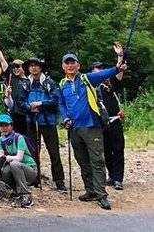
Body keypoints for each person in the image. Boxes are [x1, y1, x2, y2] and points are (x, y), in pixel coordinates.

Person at [59, 52, 127, 210]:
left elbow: (104, 74)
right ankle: (90, 191)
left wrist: (118, 68)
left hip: (92, 126)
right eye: (67, 63)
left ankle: (101, 195)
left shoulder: (87, 78)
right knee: (83, 161)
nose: (70, 66)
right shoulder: (62, 84)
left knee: (97, 161)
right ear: (63, 66)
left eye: (73, 63)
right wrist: (65, 118)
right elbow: (61, 104)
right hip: (74, 128)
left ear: (78, 65)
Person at [20, 56, 65, 192]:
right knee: (33, 151)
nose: (34, 68)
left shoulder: (49, 82)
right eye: (31, 65)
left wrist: (41, 104)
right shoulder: (25, 83)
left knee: (54, 151)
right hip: (31, 121)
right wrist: (29, 107)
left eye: (36, 65)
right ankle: (34, 177)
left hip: (48, 121)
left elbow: (55, 100)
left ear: (41, 67)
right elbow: (20, 101)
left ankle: (59, 180)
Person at [93, 44, 127, 190]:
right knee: (106, 151)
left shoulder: (111, 81)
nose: (99, 70)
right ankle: (112, 175)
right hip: (100, 122)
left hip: (115, 120)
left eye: (102, 68)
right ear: (92, 71)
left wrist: (120, 56)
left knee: (118, 149)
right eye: (97, 69)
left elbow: (119, 71)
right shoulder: (91, 84)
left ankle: (118, 179)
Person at [0, 114, 38, 208]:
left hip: (29, 169)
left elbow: (19, 158)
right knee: (3, 171)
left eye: (6, 125)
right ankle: (16, 190)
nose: (4, 128)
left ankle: (26, 195)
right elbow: (1, 156)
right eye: (1, 125)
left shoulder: (19, 138)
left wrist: (6, 158)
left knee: (14, 164)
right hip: (15, 169)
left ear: (11, 125)